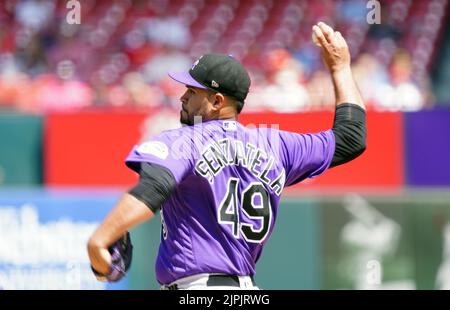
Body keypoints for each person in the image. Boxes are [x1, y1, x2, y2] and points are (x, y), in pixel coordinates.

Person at [87, 22, 366, 290]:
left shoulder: (187, 140)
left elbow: (155, 185)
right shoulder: (276, 143)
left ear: (217, 101)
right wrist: (340, 68)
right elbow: (350, 138)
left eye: (193, 91)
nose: (183, 97)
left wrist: (102, 238)